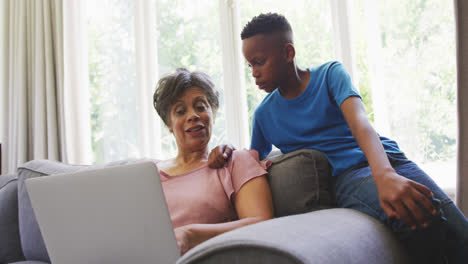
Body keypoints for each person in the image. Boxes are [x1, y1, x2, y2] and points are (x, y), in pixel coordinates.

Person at [209, 13, 468, 263]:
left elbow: (360, 123)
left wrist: (386, 174)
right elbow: (253, 161)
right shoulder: (264, 114)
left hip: (388, 159)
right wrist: (228, 148)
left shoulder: (330, 74)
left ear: (288, 53)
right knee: (419, 218)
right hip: (347, 176)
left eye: (259, 61)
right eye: (249, 65)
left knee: (459, 229)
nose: (253, 72)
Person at [152, 68, 274, 255]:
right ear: (169, 124)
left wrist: (190, 235)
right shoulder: (149, 175)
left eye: (200, 107)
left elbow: (262, 222)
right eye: (180, 111)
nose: (193, 115)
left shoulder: (234, 161)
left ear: (213, 114)